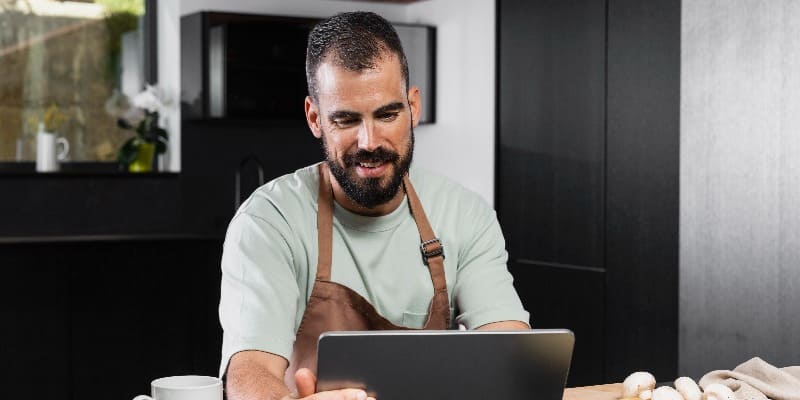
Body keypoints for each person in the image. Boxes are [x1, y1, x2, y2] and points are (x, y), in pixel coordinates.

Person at [219, 11, 530, 400]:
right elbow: (252, 370)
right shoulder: (268, 221)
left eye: (387, 114)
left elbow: (509, 347)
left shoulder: (466, 215)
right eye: (347, 120)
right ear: (315, 119)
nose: (369, 141)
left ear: (413, 106)